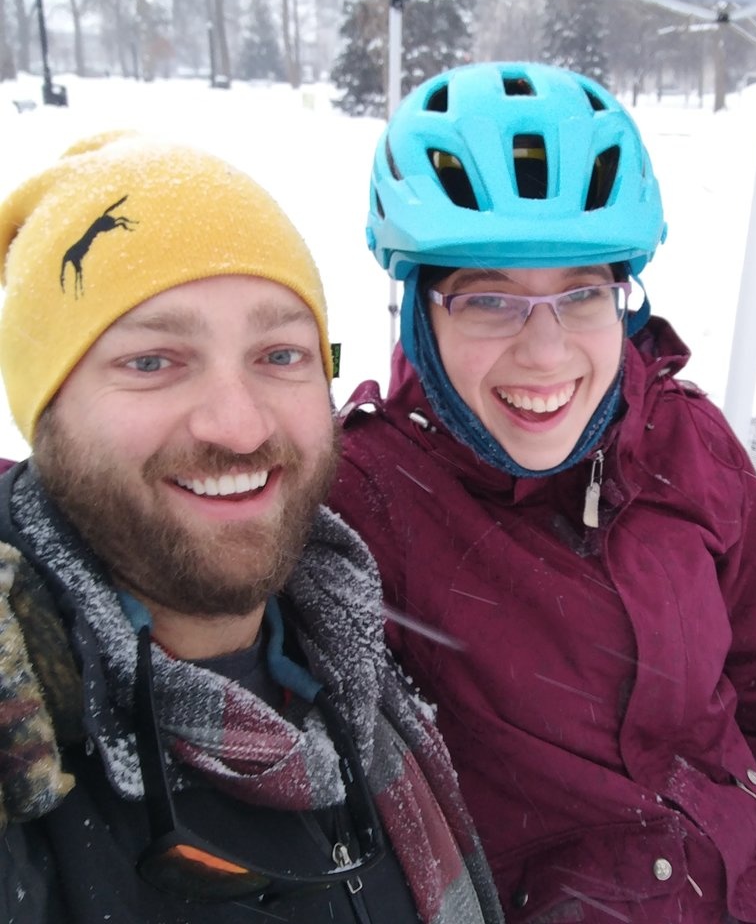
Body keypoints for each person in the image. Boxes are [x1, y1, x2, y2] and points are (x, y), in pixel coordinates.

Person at [329, 62, 756, 924]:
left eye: (581, 293)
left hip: (737, 893)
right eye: (487, 300)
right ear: (417, 311)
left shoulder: (689, 443)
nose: (545, 356)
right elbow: (187, 538)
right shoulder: (366, 495)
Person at [0, 132, 502, 924]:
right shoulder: (22, 731)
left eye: (280, 354)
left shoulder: (347, 646)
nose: (237, 427)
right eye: (152, 361)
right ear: (45, 410)